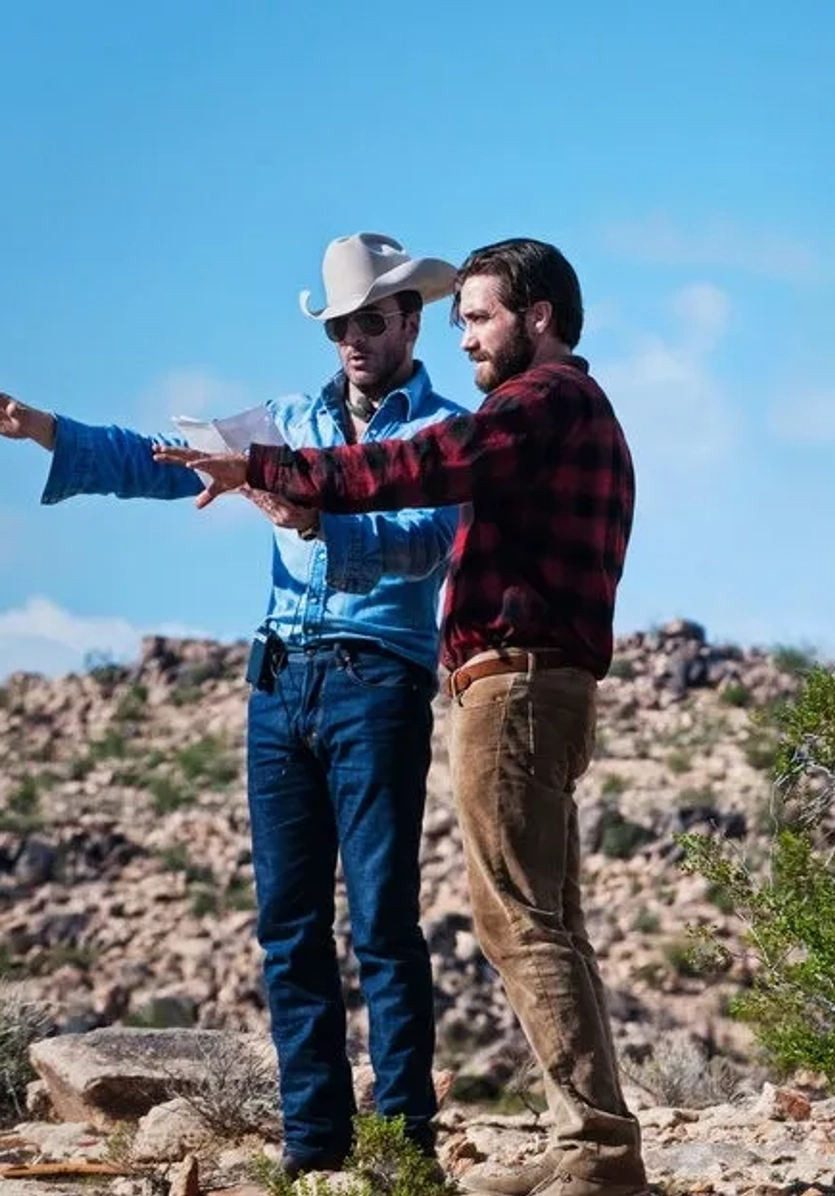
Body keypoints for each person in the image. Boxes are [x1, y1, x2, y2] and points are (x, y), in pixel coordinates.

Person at [0, 232, 468, 1178]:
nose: (350, 337)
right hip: (280, 682)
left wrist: (318, 518)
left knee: (383, 922)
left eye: (368, 320)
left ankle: (403, 1153)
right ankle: (314, 1150)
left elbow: (425, 540)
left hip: (377, 682)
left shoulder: (442, 430)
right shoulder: (290, 419)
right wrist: (49, 430)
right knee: (289, 925)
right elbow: (166, 461)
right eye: (339, 323)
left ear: (410, 321)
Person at [153, 238, 646, 1196]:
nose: (466, 339)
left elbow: (426, 464)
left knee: (522, 925)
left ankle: (593, 1153)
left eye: (479, 317)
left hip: (516, 687)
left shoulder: (540, 404)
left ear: (537, 317)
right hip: (536, 687)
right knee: (547, 922)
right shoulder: (577, 412)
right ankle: (590, 1141)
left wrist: (278, 471)